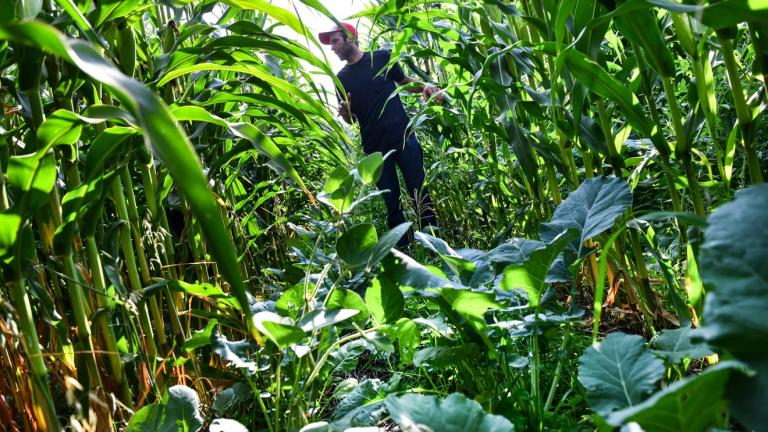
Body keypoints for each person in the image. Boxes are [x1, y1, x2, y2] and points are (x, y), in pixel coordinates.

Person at [319, 22, 440, 247]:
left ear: (350, 38)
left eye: (335, 41)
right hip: (375, 151)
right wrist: (346, 113)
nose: (332, 47)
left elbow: (404, 83)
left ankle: (435, 249)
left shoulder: (382, 58)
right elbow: (351, 119)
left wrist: (426, 87)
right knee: (393, 206)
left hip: (404, 139)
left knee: (420, 196)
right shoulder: (341, 78)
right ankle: (405, 257)